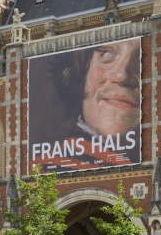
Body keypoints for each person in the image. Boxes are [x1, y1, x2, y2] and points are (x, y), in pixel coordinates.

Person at [29, 38, 141, 171]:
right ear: (80, 70)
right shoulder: (48, 166)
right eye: (106, 54)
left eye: (141, 60)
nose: (122, 75)